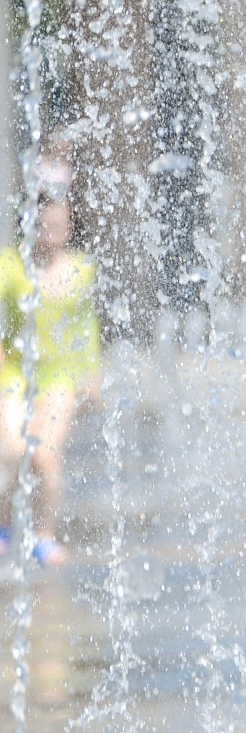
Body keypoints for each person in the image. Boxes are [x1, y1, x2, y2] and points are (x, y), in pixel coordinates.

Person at [0, 197, 100, 566]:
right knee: (12, 450)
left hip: (61, 372)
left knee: (44, 454)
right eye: (44, 224)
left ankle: (44, 534)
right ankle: (4, 524)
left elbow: (87, 322)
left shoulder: (81, 268)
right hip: (14, 370)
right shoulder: (11, 264)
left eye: (59, 224)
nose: (51, 232)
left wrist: (92, 370)